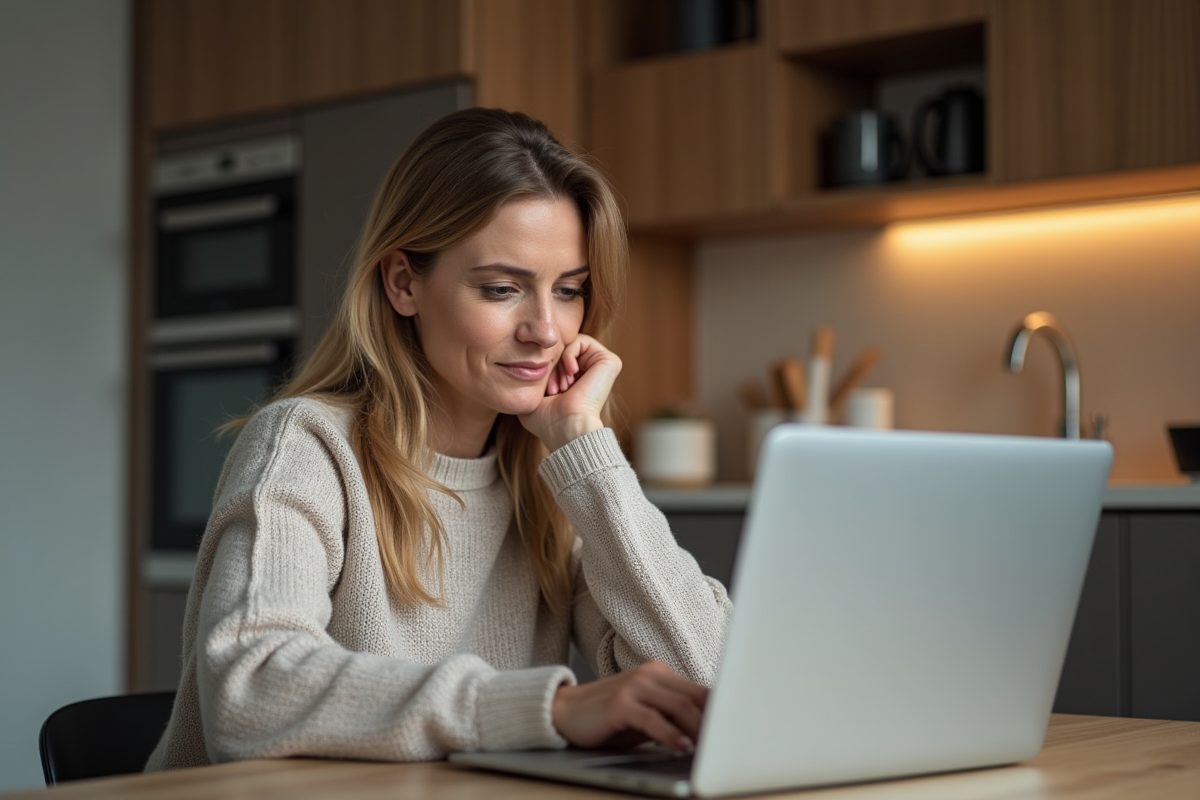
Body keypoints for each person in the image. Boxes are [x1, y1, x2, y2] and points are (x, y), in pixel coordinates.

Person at [145, 107, 731, 770]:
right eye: (502, 289)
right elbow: (249, 692)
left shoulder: (554, 479)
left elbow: (710, 686)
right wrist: (544, 710)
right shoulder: (306, 445)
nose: (546, 329)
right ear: (404, 284)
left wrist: (584, 448)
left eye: (569, 290)